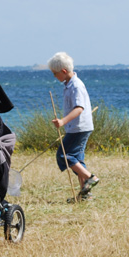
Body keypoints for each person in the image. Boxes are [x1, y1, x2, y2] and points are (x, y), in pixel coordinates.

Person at [48, 52, 99, 200]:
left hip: (80, 127)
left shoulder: (76, 85)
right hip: (76, 127)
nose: (54, 76)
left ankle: (91, 178)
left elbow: (79, 108)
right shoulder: (69, 85)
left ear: (63, 71)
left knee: (64, 155)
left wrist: (63, 121)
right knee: (77, 160)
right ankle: (85, 194)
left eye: (55, 73)